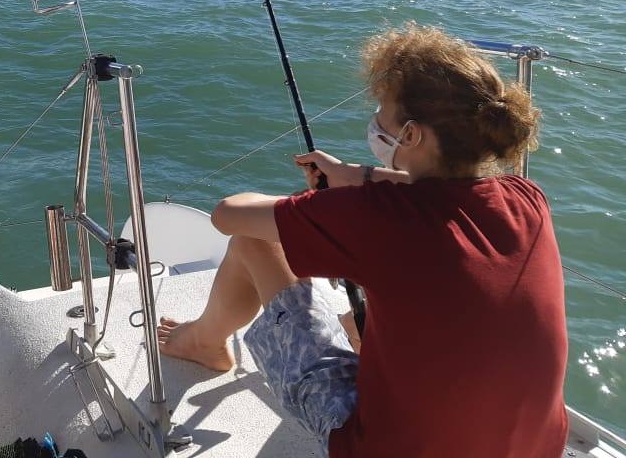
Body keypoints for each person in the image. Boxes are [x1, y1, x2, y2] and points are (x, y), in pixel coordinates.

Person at [157, 24, 568, 457]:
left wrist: (322, 203)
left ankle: (202, 342)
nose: (375, 120)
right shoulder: (528, 199)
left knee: (254, 241)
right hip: (534, 447)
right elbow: (439, 202)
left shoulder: (377, 216)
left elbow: (228, 215)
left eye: (382, 109)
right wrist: (360, 177)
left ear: (410, 134)